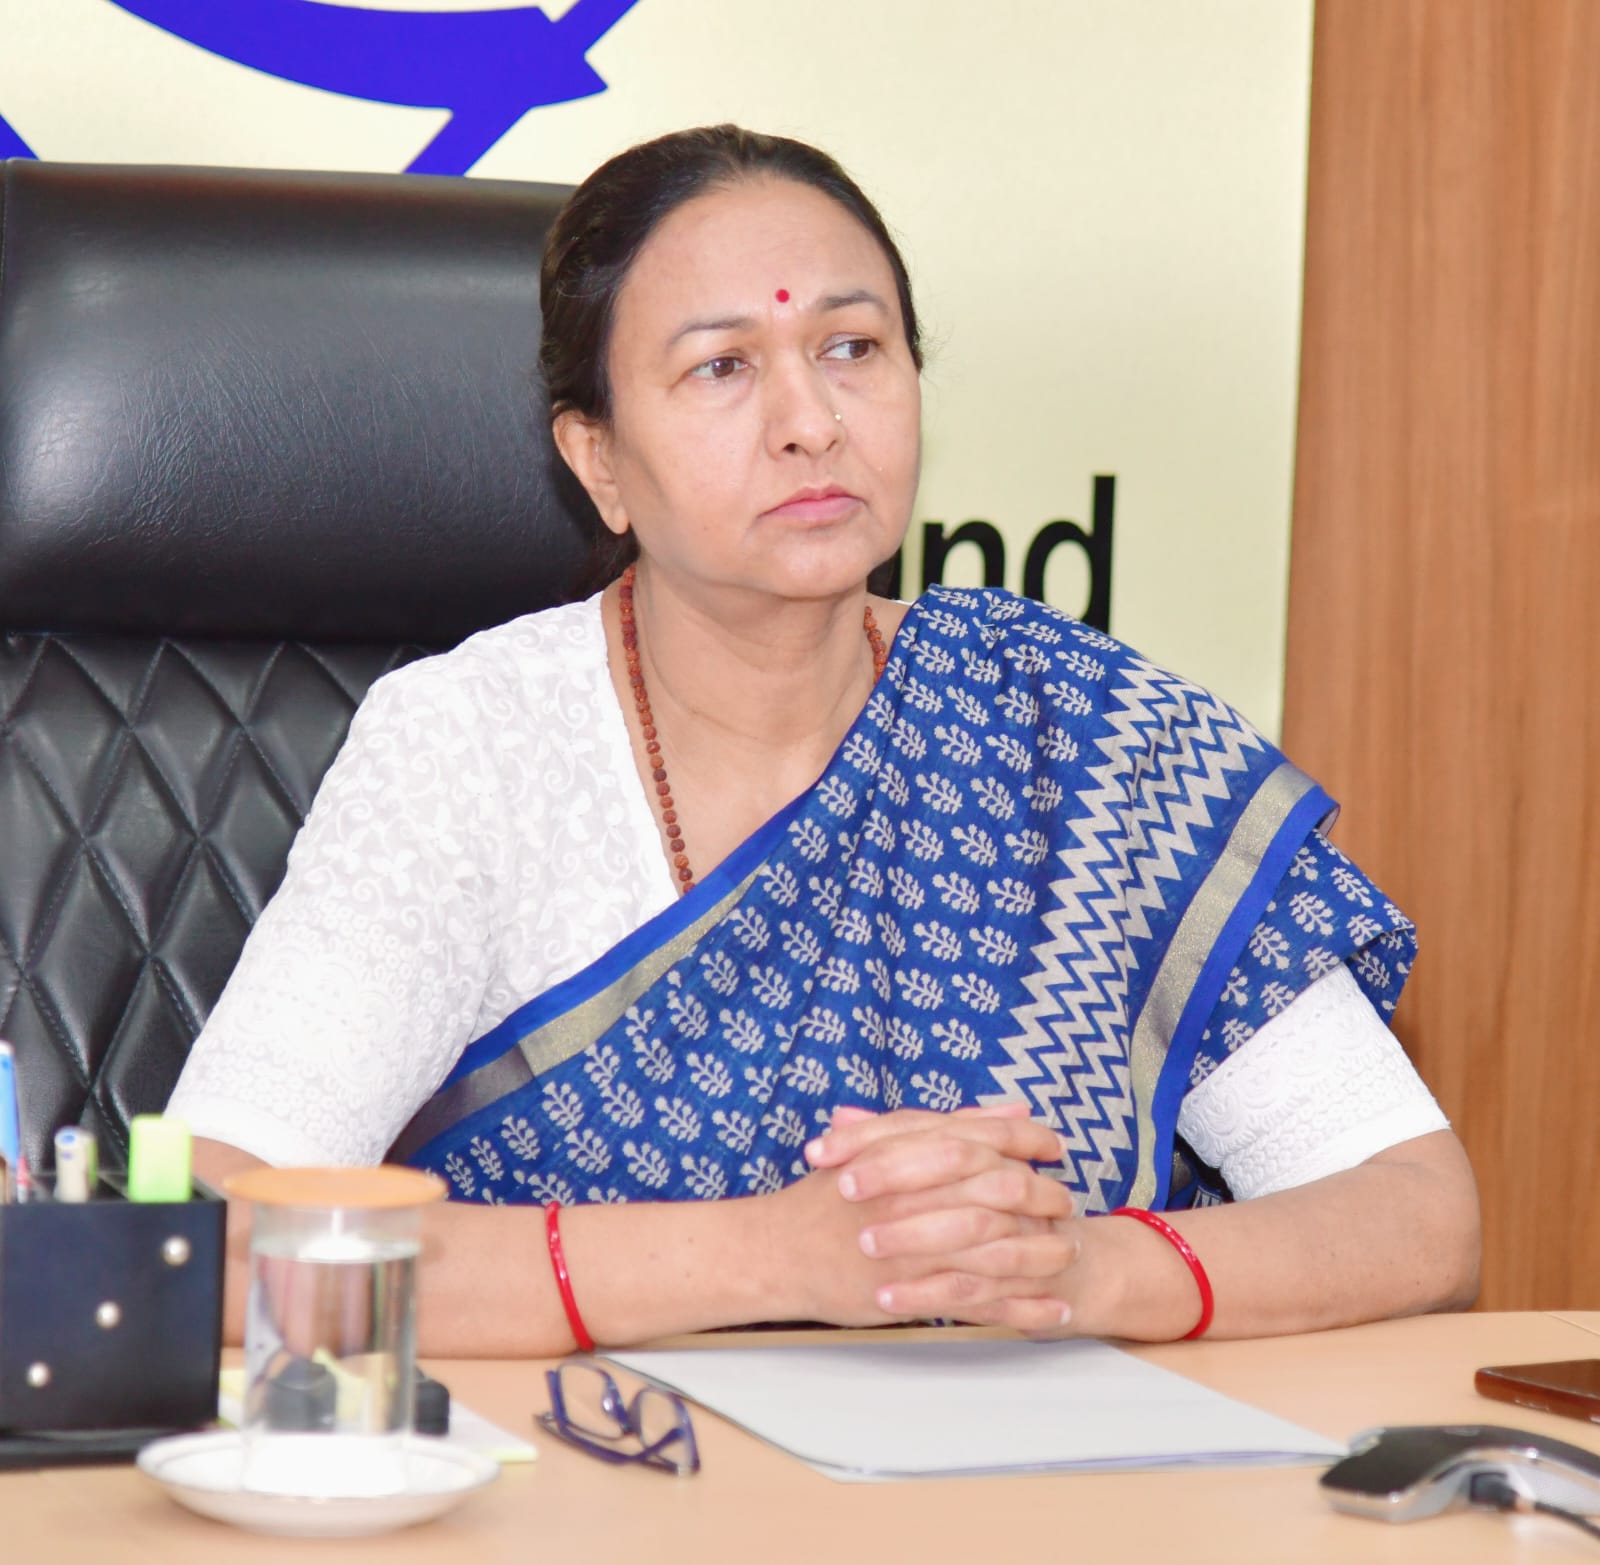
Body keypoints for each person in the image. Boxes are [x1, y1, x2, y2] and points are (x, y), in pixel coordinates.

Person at [169, 125, 1479, 1357]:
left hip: (1028, 1474)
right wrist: (776, 1258)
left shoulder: (1075, 734)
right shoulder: (474, 747)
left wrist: (1074, 1271)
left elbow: (1417, 1210)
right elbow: (219, 1240)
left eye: (853, 348)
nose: (810, 420)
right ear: (599, 460)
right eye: (722, 367)